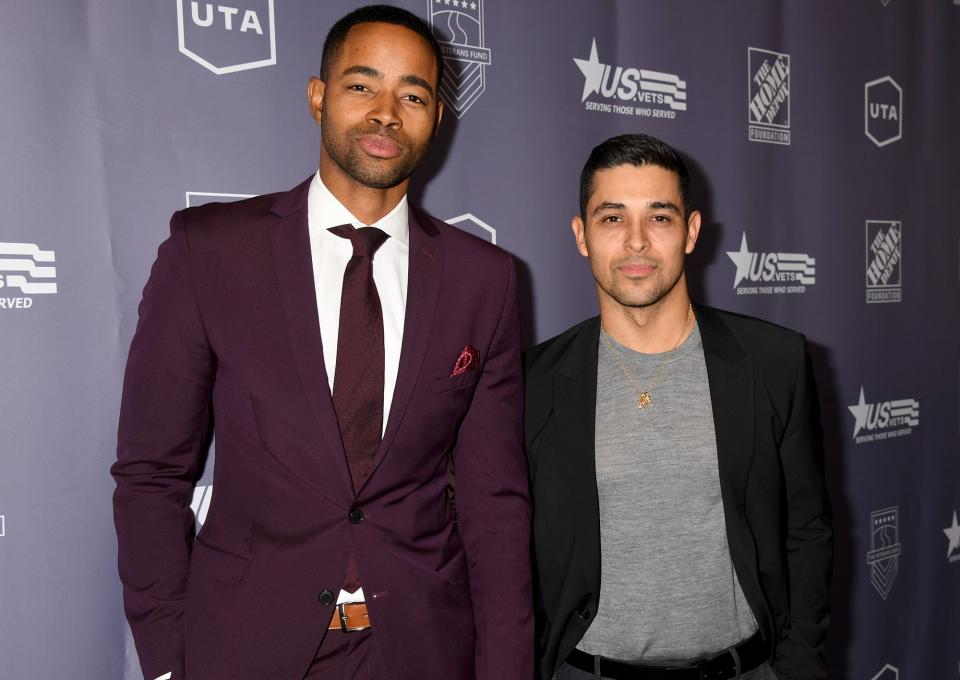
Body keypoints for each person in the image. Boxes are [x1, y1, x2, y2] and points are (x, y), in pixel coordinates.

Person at [111, 6, 532, 679]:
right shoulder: (211, 252)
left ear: (437, 119)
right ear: (318, 97)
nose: (387, 112)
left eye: (413, 95)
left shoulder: (485, 281)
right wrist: (168, 661)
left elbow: (495, 505)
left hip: (424, 648)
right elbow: (152, 472)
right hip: (246, 647)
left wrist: (506, 667)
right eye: (363, 85)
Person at [525, 134, 832, 680]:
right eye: (613, 218)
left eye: (660, 218)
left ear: (691, 231)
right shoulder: (533, 383)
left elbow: (807, 529)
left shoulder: (773, 361)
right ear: (582, 236)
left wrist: (799, 666)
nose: (637, 242)